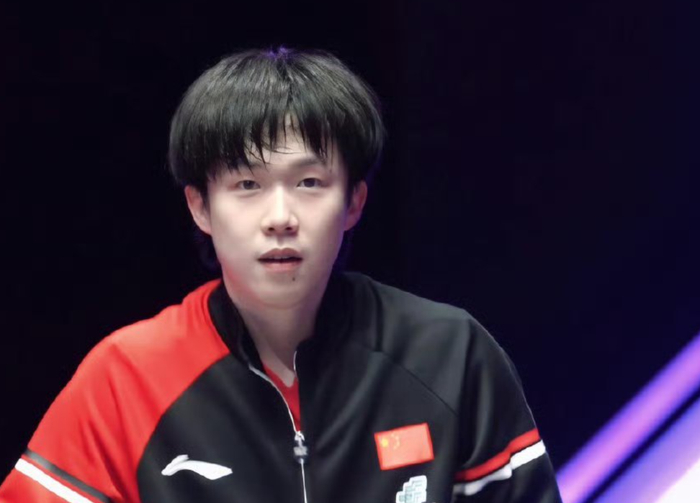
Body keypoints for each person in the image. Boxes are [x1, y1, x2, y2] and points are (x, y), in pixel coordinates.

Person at [0, 47, 562, 503]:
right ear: (200, 207)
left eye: (309, 183)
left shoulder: (449, 353)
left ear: (354, 202)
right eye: (247, 185)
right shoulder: (124, 377)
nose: (280, 218)